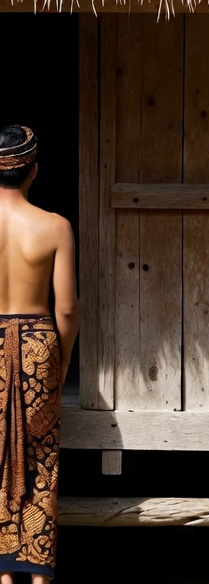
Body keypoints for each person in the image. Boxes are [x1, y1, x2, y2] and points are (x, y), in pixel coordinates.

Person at [0, 126, 78, 582]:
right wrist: (63, 359)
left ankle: (3, 573)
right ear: (34, 171)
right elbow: (66, 308)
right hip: (36, 345)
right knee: (42, 455)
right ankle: (38, 574)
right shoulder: (54, 226)